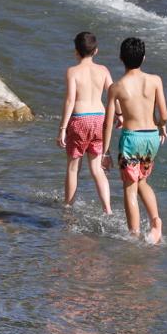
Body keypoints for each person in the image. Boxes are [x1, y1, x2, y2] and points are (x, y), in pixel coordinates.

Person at [102, 37, 167, 244]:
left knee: (129, 187)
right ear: (144, 58)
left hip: (131, 139)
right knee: (142, 181)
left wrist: (105, 153)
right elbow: (165, 115)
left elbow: (108, 123)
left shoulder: (116, 87)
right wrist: (161, 126)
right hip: (151, 137)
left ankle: (134, 236)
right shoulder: (155, 80)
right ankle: (156, 221)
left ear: (121, 58)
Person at [56, 32, 113, 213]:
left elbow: (70, 101)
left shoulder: (72, 72)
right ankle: (108, 209)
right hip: (99, 119)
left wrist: (62, 128)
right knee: (97, 168)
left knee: (73, 168)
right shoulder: (103, 70)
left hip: (80, 119)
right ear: (96, 51)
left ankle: (68, 207)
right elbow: (113, 94)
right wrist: (118, 115)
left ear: (76, 52)